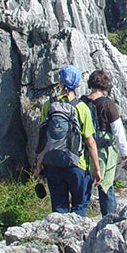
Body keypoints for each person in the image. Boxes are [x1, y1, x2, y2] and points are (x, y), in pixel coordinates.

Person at [33, 65, 102, 217]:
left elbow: (43, 137)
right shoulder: (82, 108)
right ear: (77, 85)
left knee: (58, 209)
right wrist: (97, 169)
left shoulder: (49, 105)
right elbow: (90, 141)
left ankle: (59, 239)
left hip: (53, 164)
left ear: (60, 84)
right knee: (79, 206)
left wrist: (39, 165)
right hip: (77, 165)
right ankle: (75, 238)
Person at [80, 70, 127, 216]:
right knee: (106, 186)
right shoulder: (107, 104)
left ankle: (79, 217)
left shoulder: (81, 101)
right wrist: (126, 153)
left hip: (84, 147)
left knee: (85, 185)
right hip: (104, 149)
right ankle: (108, 220)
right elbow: (118, 130)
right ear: (105, 85)